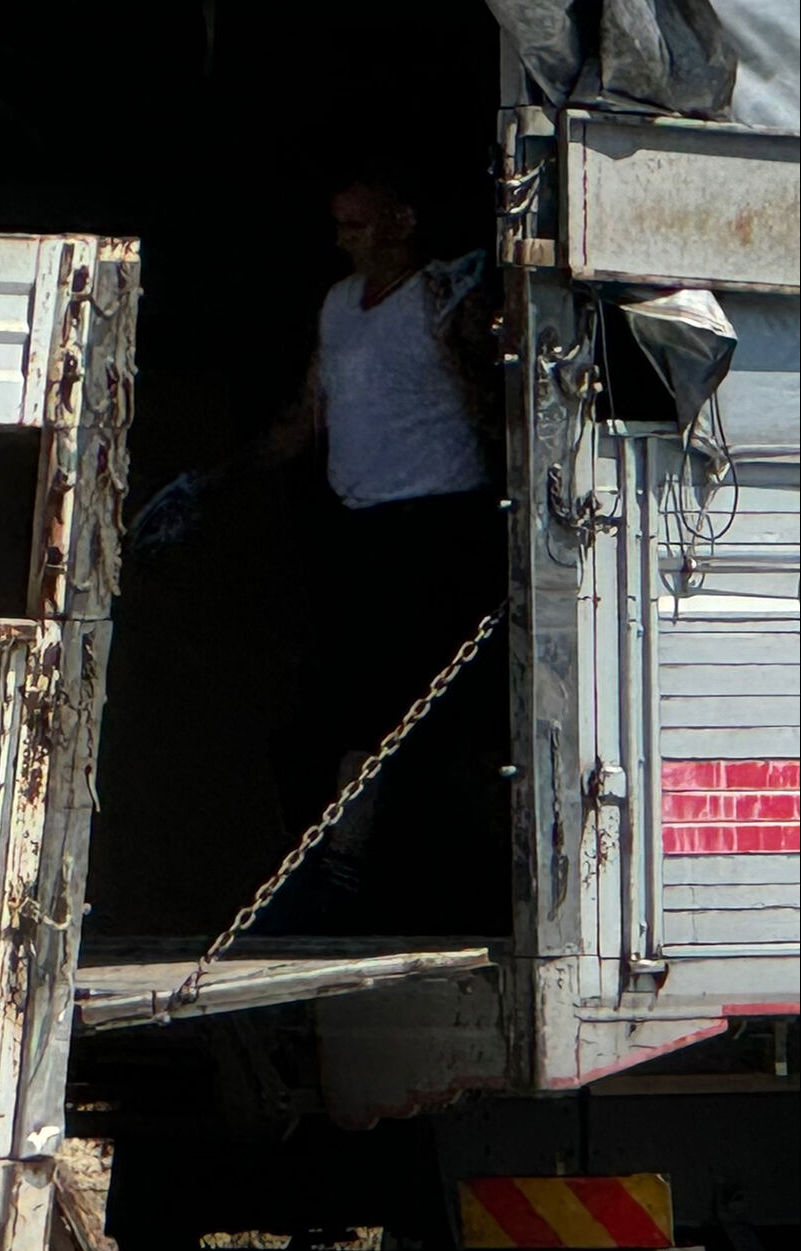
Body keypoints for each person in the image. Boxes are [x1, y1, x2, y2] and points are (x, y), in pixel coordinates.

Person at [136, 173, 506, 932]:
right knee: (352, 697)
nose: (343, 241)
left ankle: (366, 870)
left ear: (401, 220)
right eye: (339, 226)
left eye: (357, 225)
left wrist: (467, 342)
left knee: (419, 706)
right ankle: (345, 867)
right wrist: (213, 481)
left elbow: (494, 408)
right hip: (363, 526)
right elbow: (307, 416)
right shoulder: (339, 305)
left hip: (438, 522)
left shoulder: (442, 297)